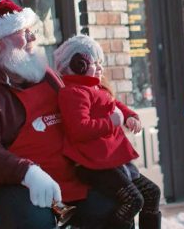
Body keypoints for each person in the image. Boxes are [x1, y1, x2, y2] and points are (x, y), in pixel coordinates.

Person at [0, 0, 115, 229]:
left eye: (30, 30)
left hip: (59, 175)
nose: (33, 37)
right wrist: (28, 173)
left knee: (112, 202)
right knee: (33, 220)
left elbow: (74, 116)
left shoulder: (42, 73)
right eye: (23, 32)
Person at [53, 35, 162, 229]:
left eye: (100, 62)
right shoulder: (73, 92)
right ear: (77, 64)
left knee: (151, 193)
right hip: (93, 164)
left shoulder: (95, 88)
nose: (100, 67)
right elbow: (80, 129)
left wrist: (129, 116)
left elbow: (115, 104)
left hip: (112, 160)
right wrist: (112, 122)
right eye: (94, 63)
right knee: (132, 201)